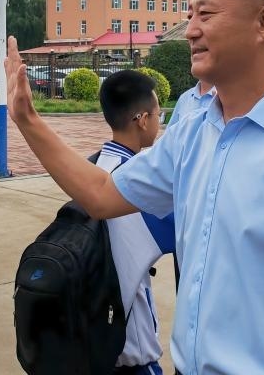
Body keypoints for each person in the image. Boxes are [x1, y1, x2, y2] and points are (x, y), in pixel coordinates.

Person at [5, 0, 264, 375]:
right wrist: (28, 120)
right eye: (190, 16)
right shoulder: (192, 133)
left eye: (206, 14)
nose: (190, 30)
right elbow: (101, 194)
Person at [95, 69, 175, 375]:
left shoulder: (96, 166)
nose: (158, 123)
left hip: (97, 335)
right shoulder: (140, 184)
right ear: (142, 120)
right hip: (130, 349)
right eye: (158, 115)